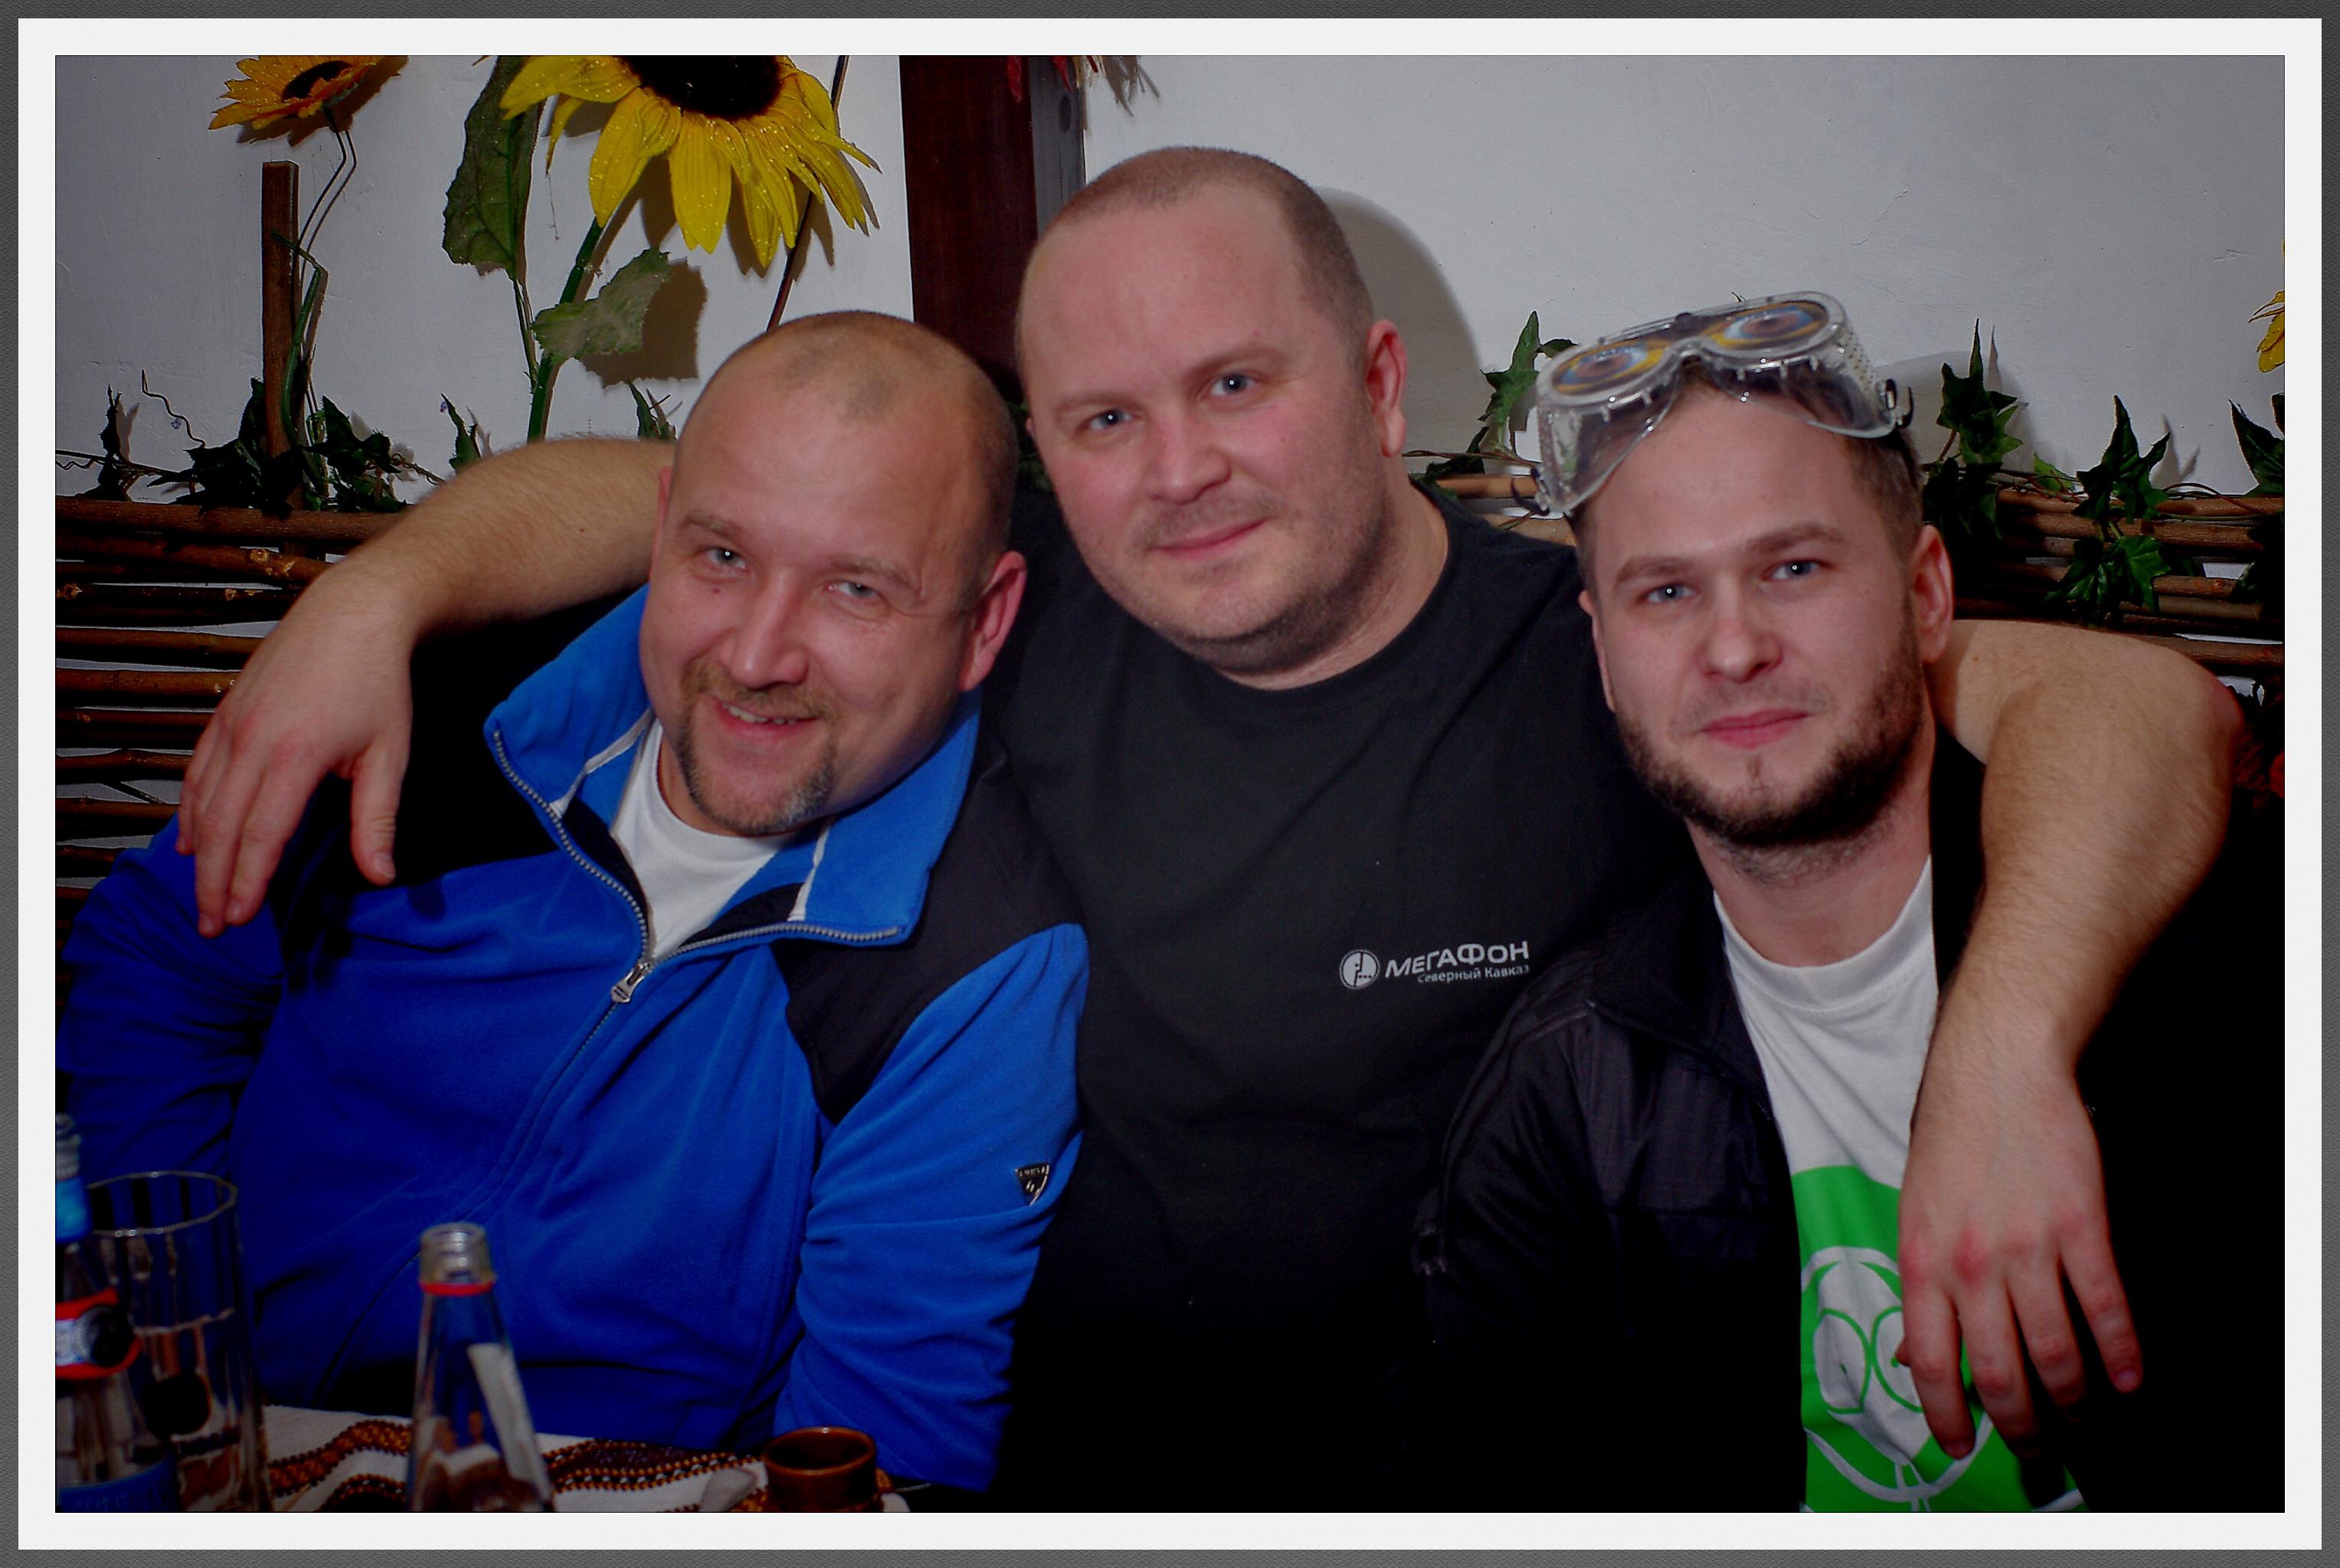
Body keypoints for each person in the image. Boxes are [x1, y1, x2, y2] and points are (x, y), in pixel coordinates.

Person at [165, 150, 2238, 1508]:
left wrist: (1999, 1049)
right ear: (1044, 468)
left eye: (1237, 385)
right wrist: (382, 592)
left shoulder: (1604, 652)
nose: (1177, 473)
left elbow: (2149, 710)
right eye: (1104, 419)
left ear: (1380, 385)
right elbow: (696, 491)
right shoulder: (1016, 618)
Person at [58, 313, 1087, 1491]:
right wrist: (179, 1335)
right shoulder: (448, 709)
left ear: (983, 623)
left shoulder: (981, 965)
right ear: (660, 530)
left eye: (856, 589)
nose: (758, 655)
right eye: (723, 558)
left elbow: (873, 1449)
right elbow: (157, 958)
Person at [1415, 322, 2276, 1510]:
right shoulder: (1562, 1096)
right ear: (1605, 657)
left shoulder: (2221, 974)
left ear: (1926, 595)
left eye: (1795, 569)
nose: (1734, 648)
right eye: (1666, 591)